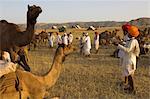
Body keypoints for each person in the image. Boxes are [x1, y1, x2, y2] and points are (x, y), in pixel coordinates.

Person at [114, 25, 140, 93]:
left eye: (129, 32)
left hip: (130, 60)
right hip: (128, 59)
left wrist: (118, 46)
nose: (127, 33)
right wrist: (120, 43)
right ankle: (130, 87)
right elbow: (126, 45)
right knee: (128, 74)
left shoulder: (133, 41)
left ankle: (133, 89)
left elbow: (128, 50)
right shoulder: (131, 40)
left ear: (131, 34)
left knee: (130, 75)